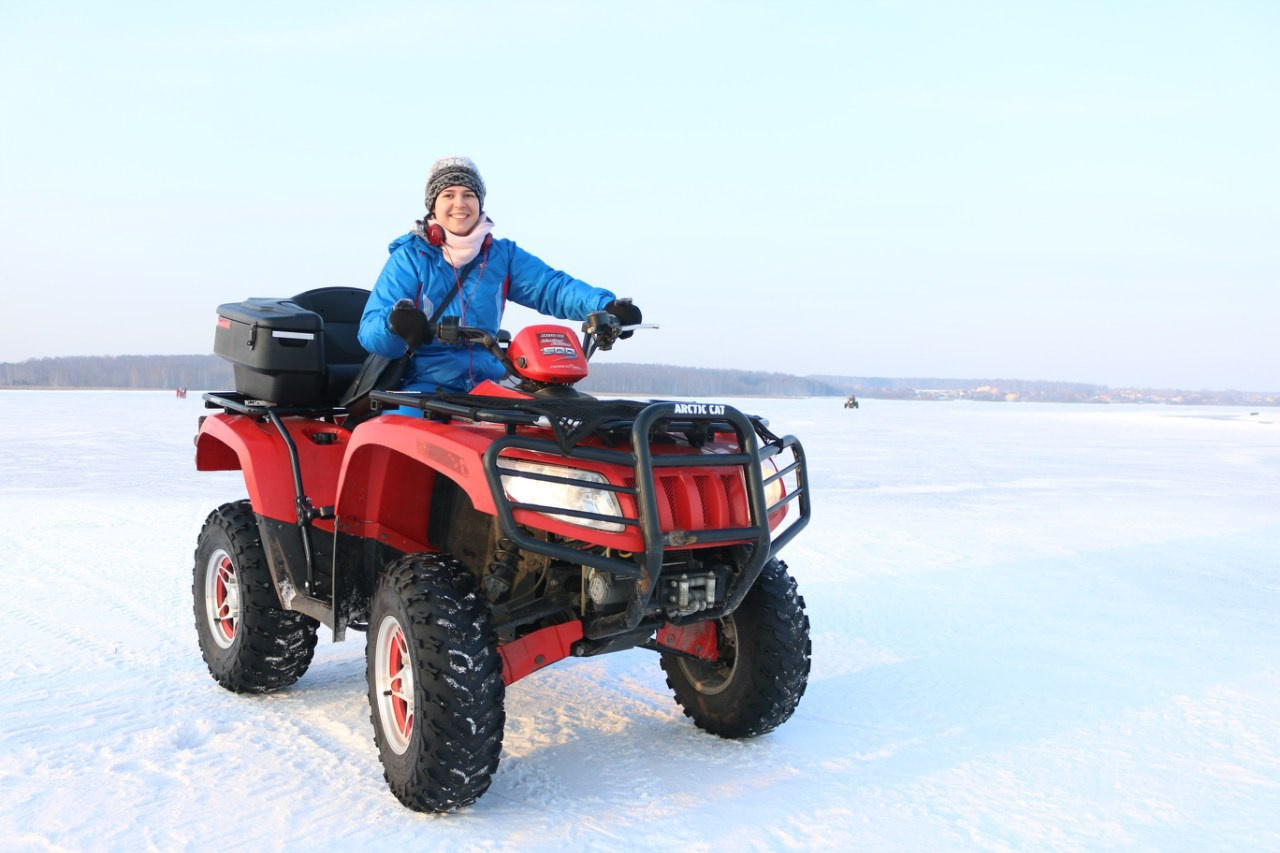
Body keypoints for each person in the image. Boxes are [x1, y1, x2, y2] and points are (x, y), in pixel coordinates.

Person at [358, 156, 641, 396]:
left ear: (480, 202)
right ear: (433, 205)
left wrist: (604, 306)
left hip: (488, 386)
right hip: (423, 387)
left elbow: (550, 287)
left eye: (469, 195)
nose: (460, 204)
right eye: (448, 195)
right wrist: (395, 324)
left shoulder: (500, 256)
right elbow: (370, 332)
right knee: (405, 438)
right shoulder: (411, 257)